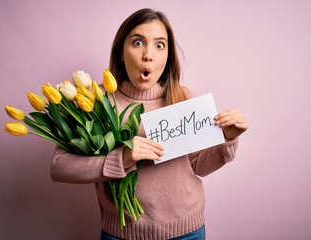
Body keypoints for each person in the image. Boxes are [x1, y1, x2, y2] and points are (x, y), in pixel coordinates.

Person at [51, 8, 247, 240]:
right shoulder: (95, 102)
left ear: (168, 55)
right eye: (137, 42)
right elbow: (58, 167)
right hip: (122, 234)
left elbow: (198, 167)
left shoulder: (183, 98)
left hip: (188, 231)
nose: (148, 55)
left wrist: (227, 138)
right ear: (121, 52)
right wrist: (121, 158)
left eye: (160, 45)